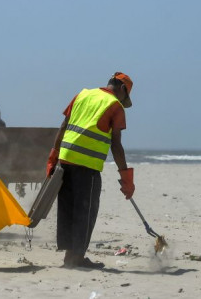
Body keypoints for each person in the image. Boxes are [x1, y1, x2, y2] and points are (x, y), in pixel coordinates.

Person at [46, 72, 135, 269]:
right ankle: (76, 258)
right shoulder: (115, 106)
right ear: (122, 89)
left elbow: (63, 126)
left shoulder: (83, 94)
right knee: (85, 213)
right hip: (87, 167)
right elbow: (116, 145)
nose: (123, 100)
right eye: (125, 96)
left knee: (68, 209)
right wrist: (126, 177)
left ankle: (69, 257)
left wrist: (53, 156)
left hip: (65, 160)